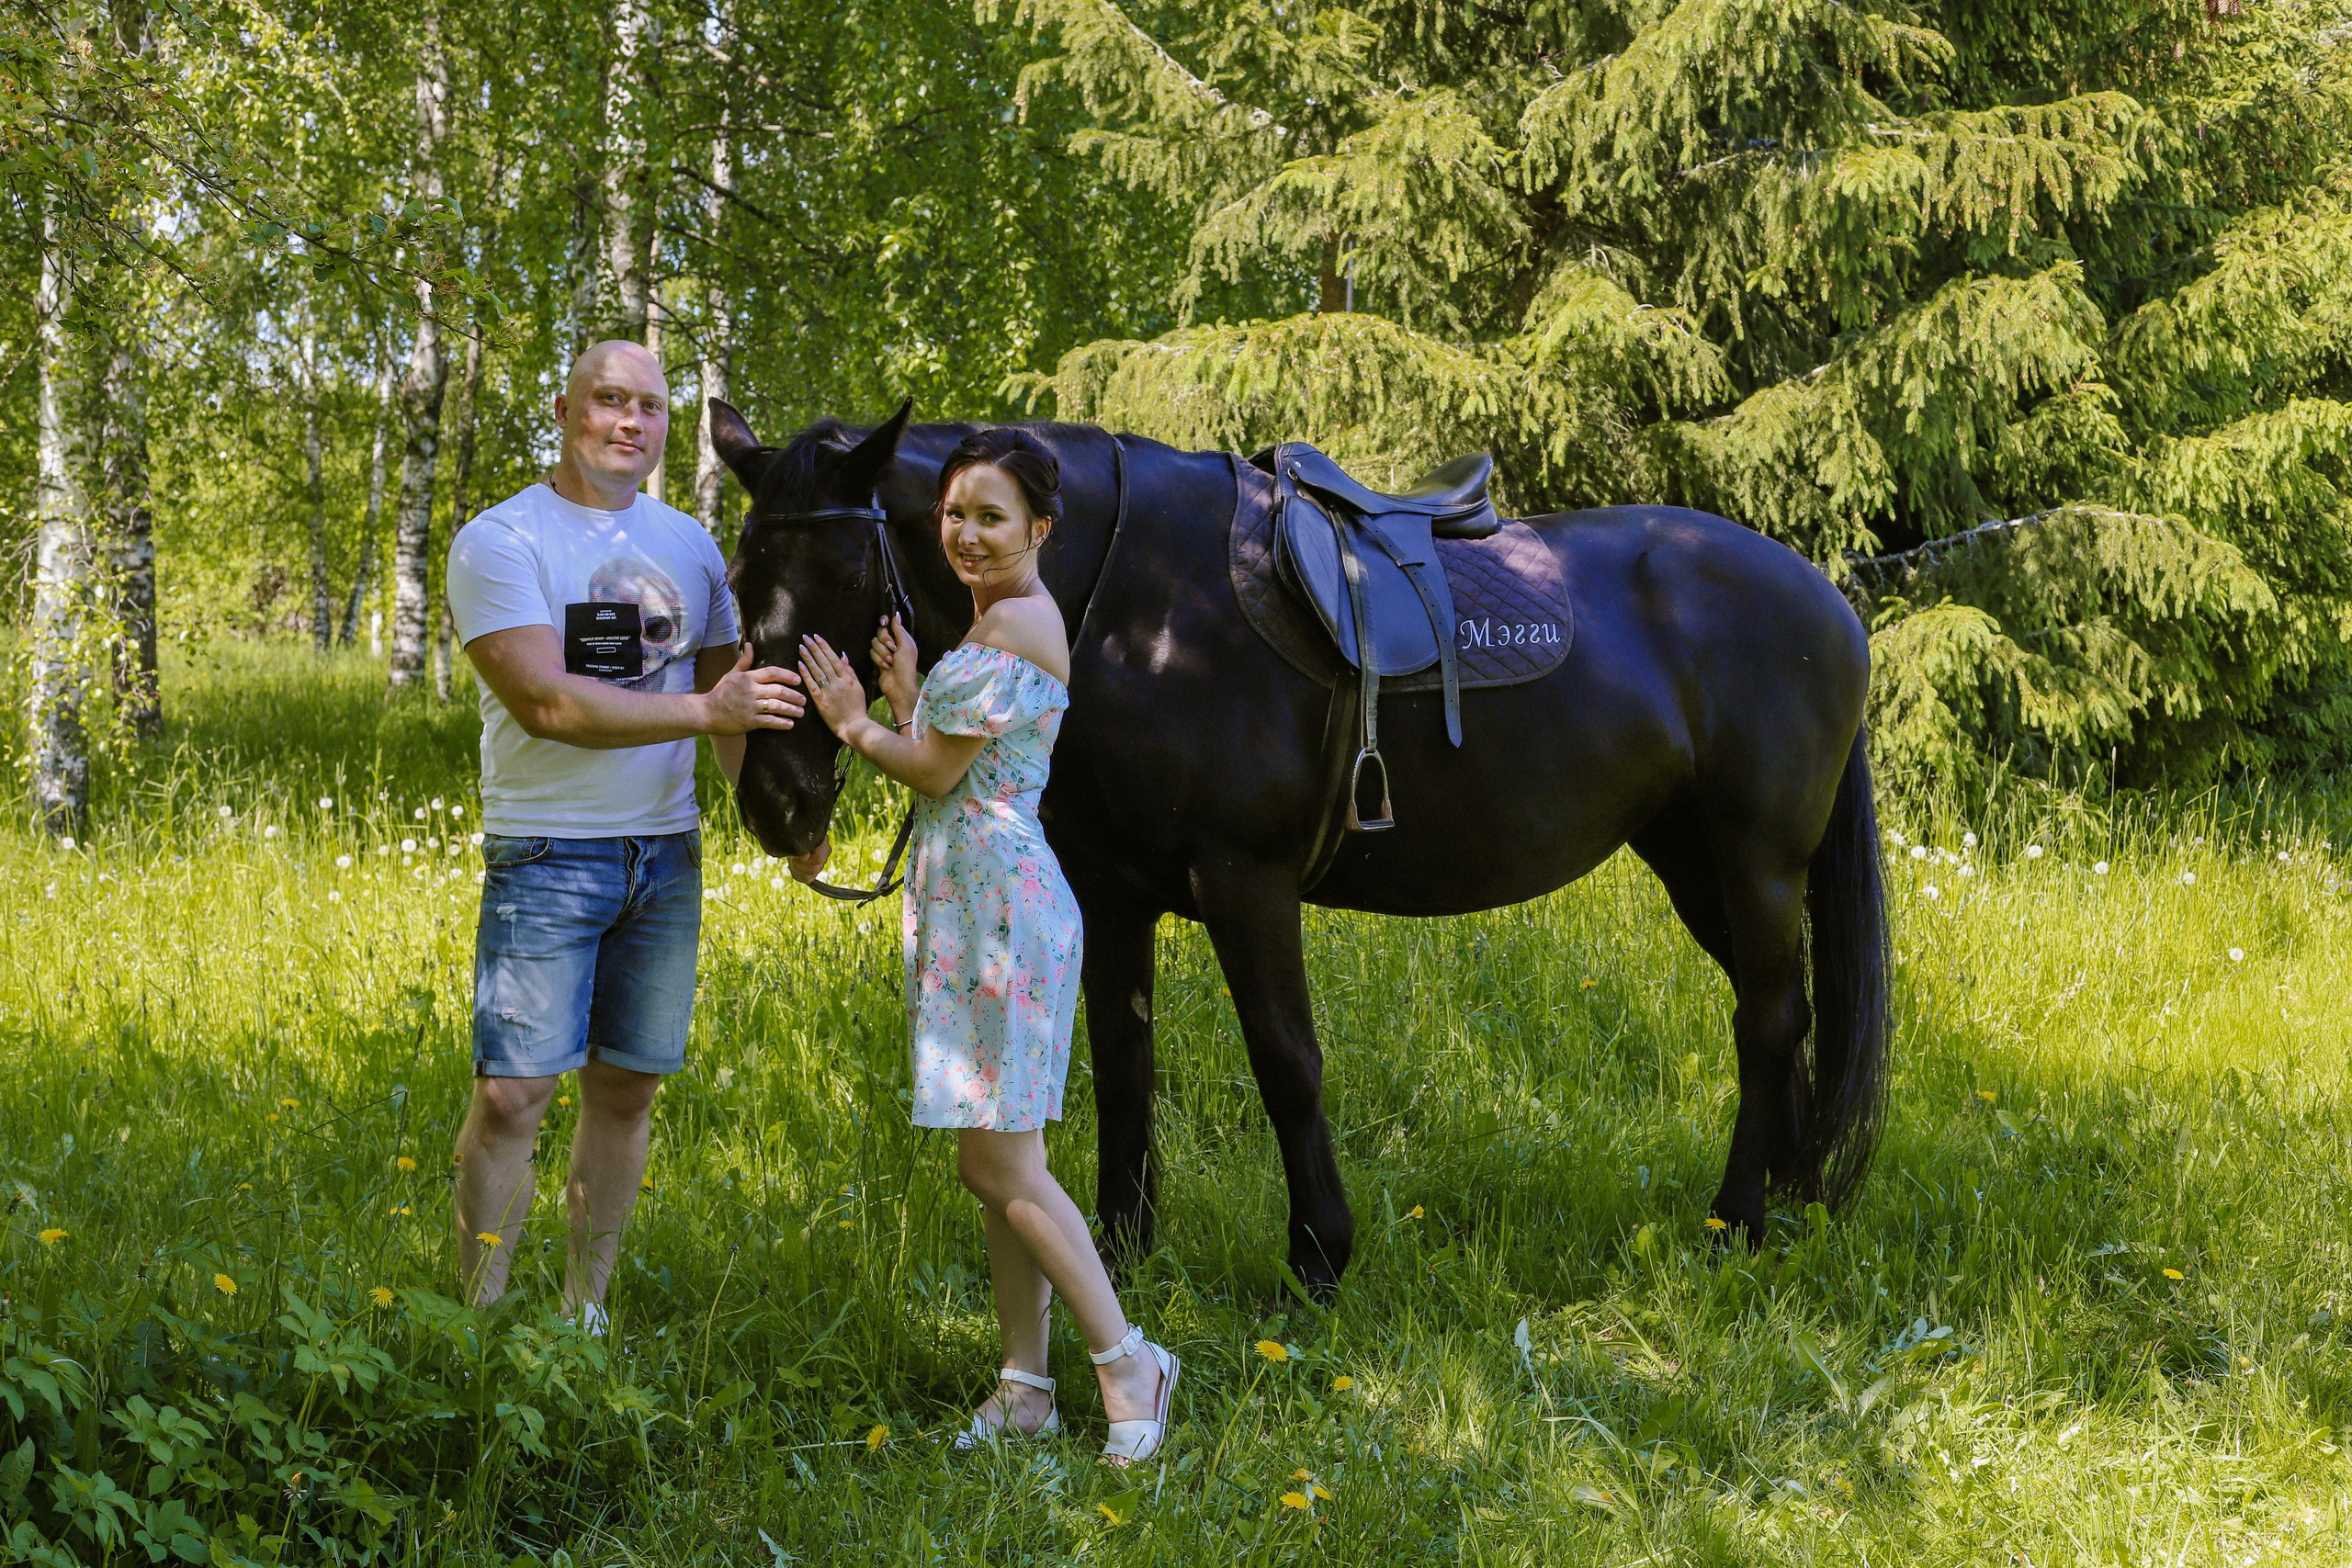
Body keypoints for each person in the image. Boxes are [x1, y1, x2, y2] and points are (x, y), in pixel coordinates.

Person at [796, 427, 1178, 1465]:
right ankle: (1024, 1387)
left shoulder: (1016, 622)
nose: (966, 533)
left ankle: (1129, 1363)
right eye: (954, 514)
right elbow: (964, 758)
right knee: (998, 1159)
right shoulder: (996, 622)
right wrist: (911, 692)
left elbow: (931, 774)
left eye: (991, 517)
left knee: (1001, 1161)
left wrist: (851, 719)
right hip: (975, 910)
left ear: (1040, 527)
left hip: (1003, 913)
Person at [445, 339, 812, 1325]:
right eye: (609, 399)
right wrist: (707, 712)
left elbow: (735, 707)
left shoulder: (692, 546)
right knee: (513, 1096)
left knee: (626, 1090)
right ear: (565, 411)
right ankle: (475, 1322)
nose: (629, 422)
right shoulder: (500, 540)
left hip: (665, 857)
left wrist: (782, 829)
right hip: (545, 852)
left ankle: (583, 1313)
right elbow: (546, 704)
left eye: (650, 407)